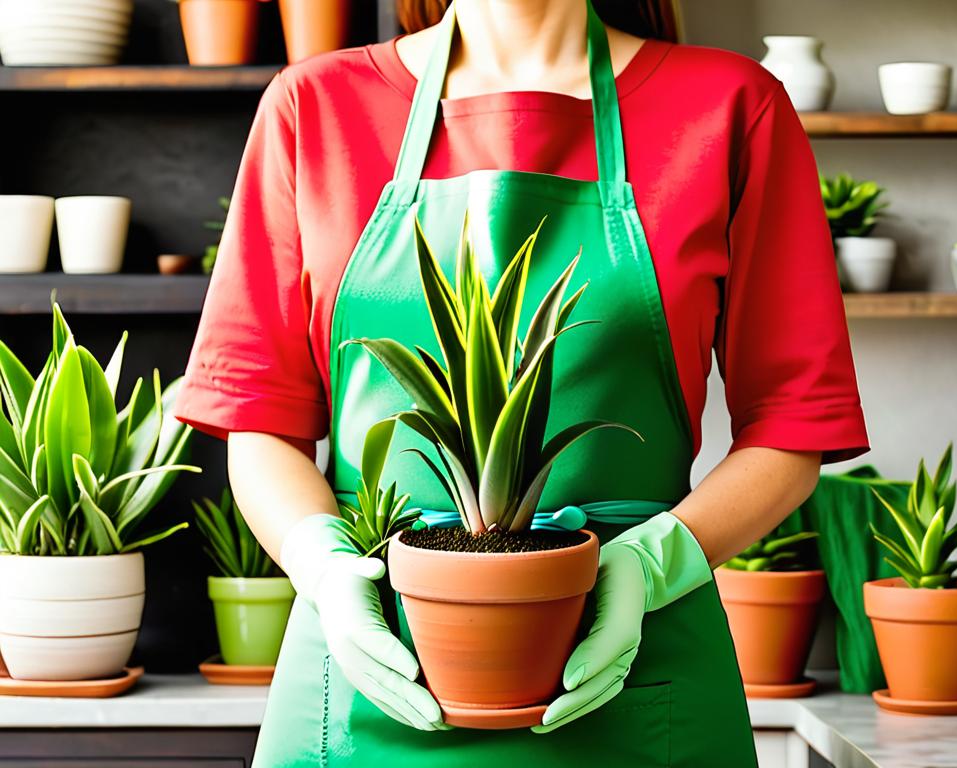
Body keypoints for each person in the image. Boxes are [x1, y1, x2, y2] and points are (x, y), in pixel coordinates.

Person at [176, 1, 869, 765]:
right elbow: (260, 421)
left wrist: (647, 566)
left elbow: (793, 427)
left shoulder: (732, 106)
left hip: (633, 666)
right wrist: (328, 572)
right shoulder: (314, 107)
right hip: (369, 670)